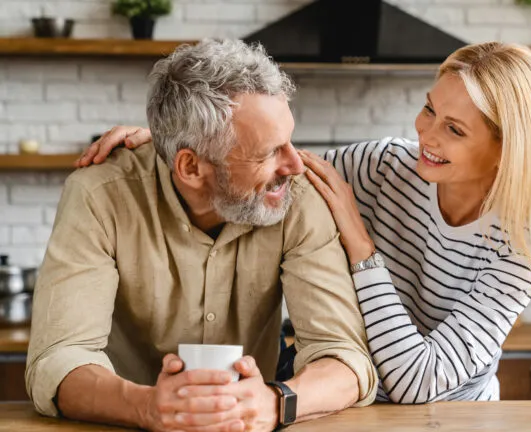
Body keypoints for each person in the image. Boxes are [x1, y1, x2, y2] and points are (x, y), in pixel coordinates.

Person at [79, 41, 531, 404]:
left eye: (453, 129)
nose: (425, 133)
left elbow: (418, 381)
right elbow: (263, 163)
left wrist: (361, 246)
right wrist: (174, 138)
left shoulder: (521, 246)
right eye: (429, 109)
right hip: (344, 404)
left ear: (507, 150)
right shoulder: (388, 165)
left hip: (448, 417)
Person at [26, 38, 377, 432]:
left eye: (290, 141)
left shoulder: (297, 197)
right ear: (191, 168)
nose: (294, 164)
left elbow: (345, 359)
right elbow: (57, 362)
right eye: (267, 152)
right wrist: (145, 407)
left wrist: (276, 403)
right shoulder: (99, 194)